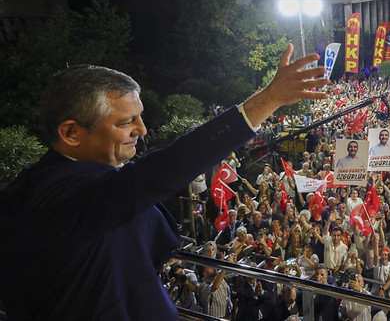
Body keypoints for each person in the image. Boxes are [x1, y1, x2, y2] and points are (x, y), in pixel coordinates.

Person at [0, 45, 328, 320]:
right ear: (71, 132)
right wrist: (267, 100)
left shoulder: (75, 176)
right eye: (126, 122)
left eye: (140, 117)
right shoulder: (56, 196)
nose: (142, 130)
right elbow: (164, 169)